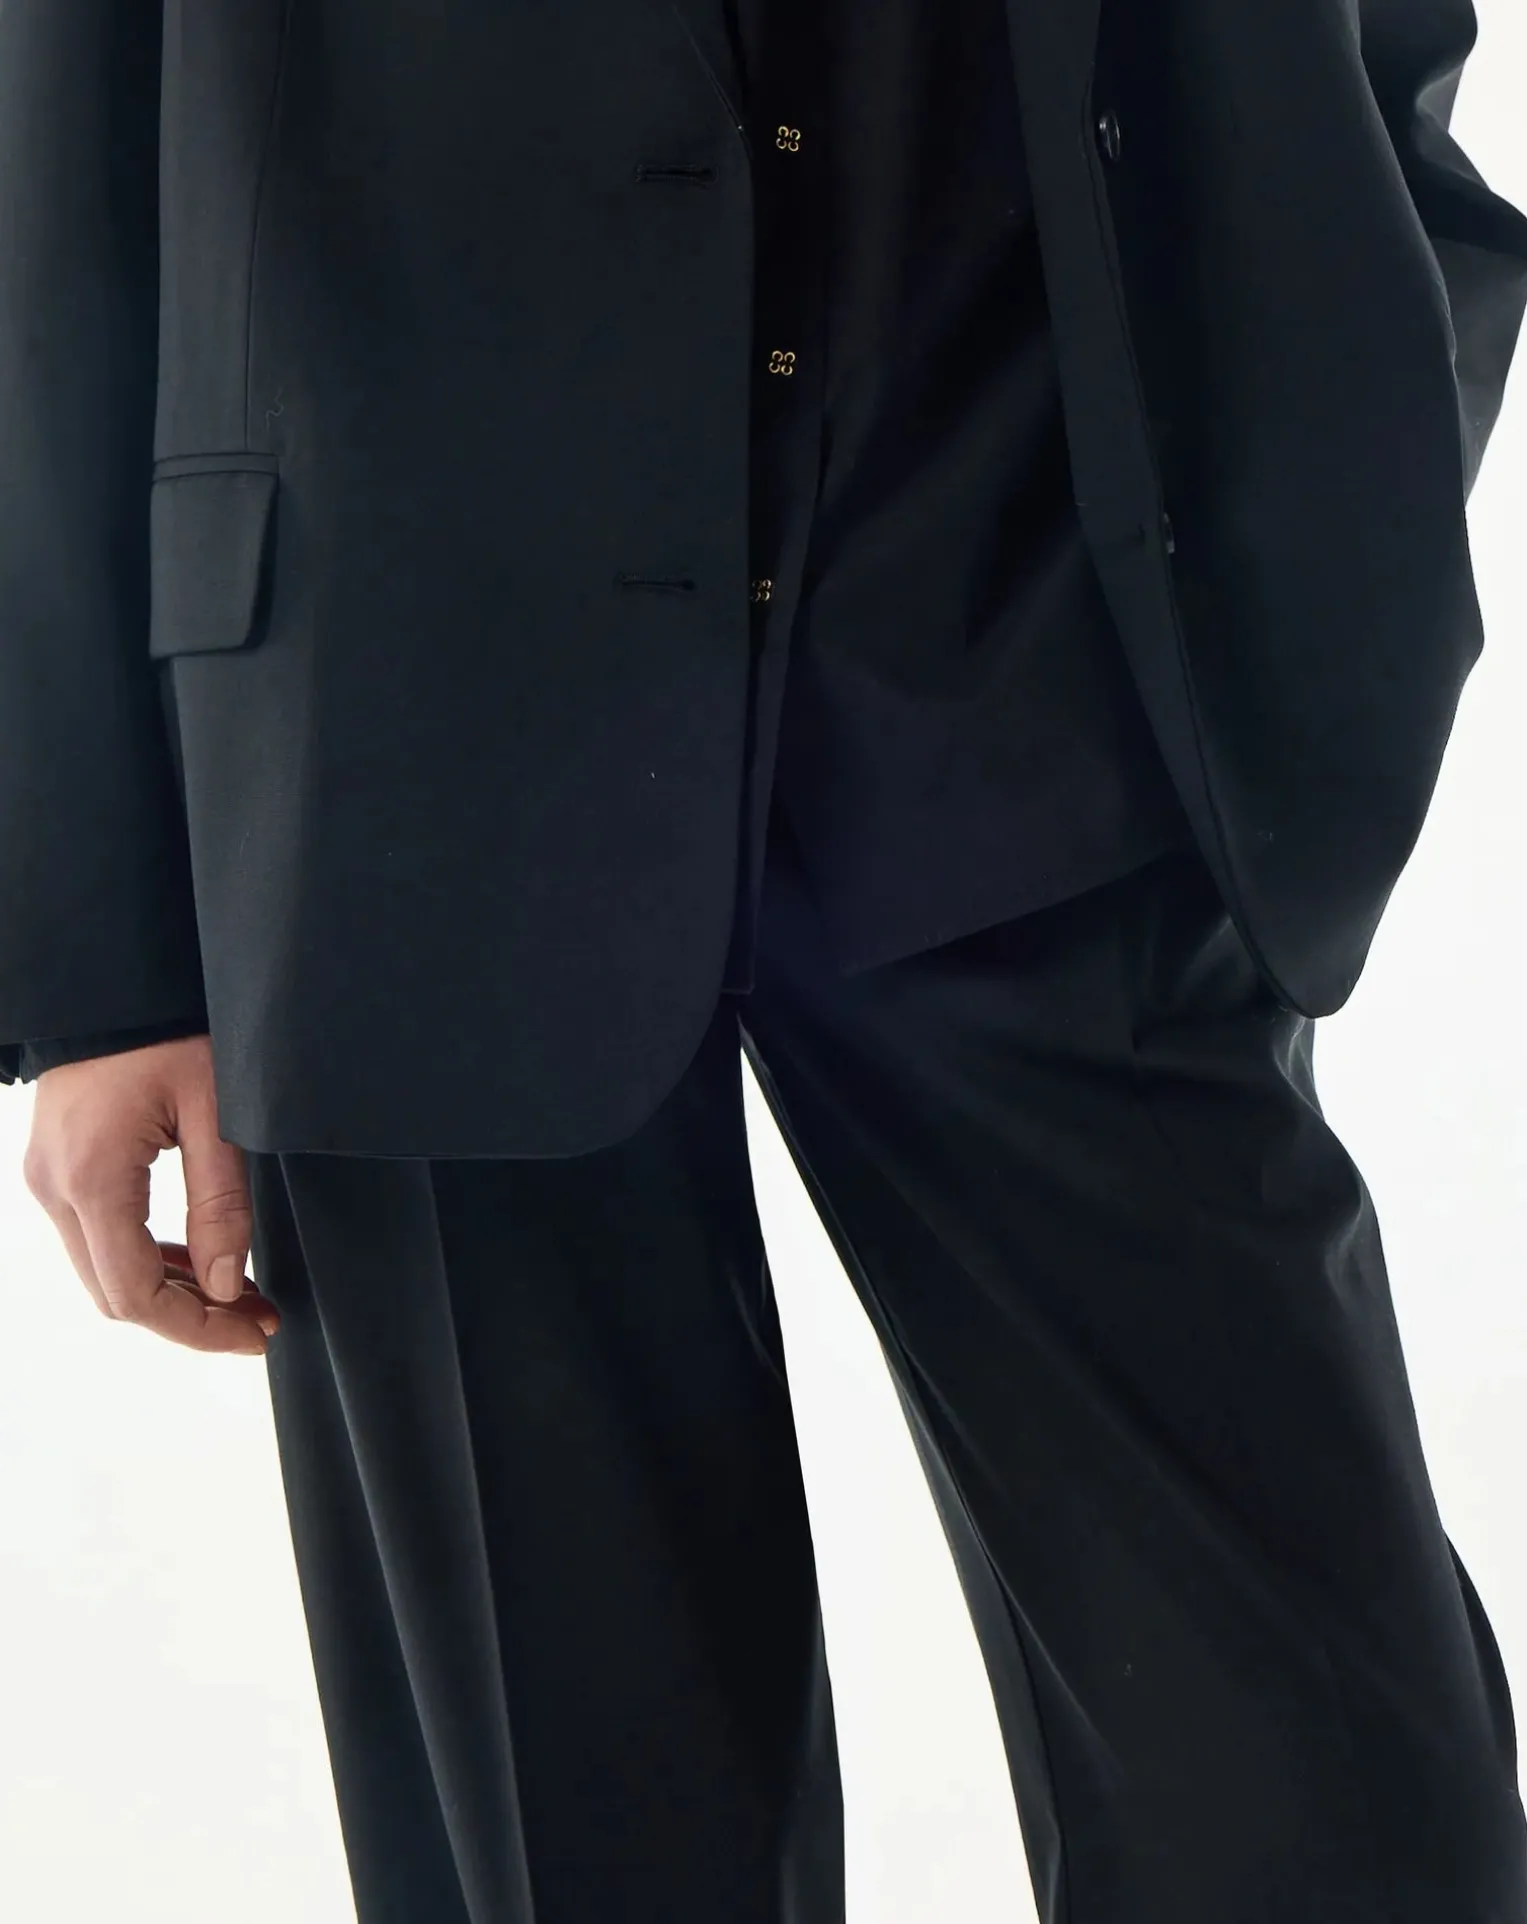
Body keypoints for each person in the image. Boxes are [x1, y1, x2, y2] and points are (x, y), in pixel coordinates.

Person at [4, 0, 1527, 1918]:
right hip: (404, 709)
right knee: (573, 1839)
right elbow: (50, 169)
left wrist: (1343, 479)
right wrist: (104, 954)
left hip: (1029, 685)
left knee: (1326, 1780)